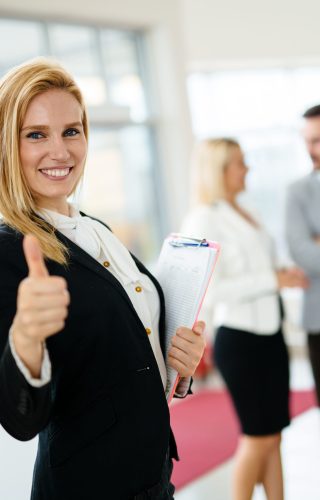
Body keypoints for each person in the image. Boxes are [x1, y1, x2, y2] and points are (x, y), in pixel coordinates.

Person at [0, 58, 206, 500]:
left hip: (151, 476)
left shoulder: (94, 229)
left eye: (71, 131)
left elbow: (124, 351)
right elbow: (20, 418)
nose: (61, 151)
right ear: (6, 146)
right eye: (36, 134)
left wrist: (179, 370)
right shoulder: (8, 249)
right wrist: (25, 340)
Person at [180, 138, 308, 500]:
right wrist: (271, 280)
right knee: (258, 437)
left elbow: (254, 267)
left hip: (270, 335)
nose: (247, 168)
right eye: (239, 162)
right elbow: (211, 288)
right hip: (241, 340)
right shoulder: (204, 217)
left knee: (274, 435)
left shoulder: (244, 209)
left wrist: (281, 272)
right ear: (219, 171)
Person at [286, 105, 320, 406]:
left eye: (318, 140)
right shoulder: (298, 192)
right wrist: (311, 244)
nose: (311, 149)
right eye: (308, 140)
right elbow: (302, 252)